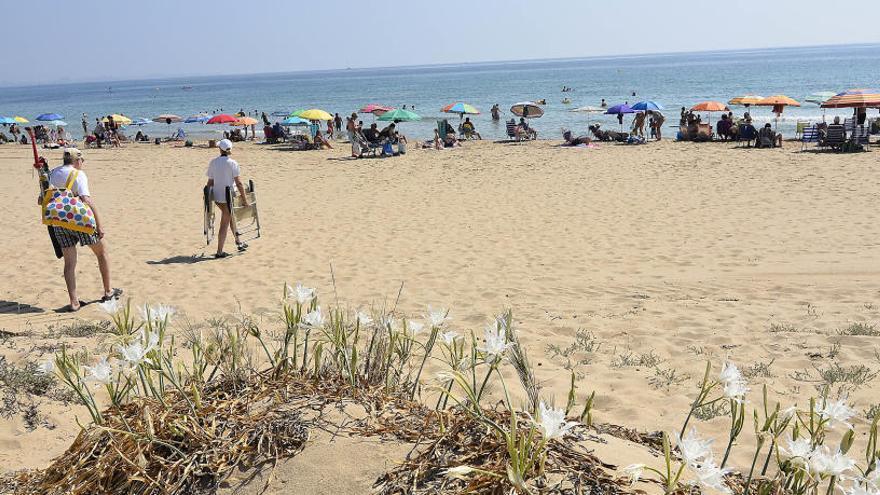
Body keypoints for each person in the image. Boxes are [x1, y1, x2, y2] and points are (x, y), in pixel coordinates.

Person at [46, 148, 122, 311]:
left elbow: (46, 194)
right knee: (102, 253)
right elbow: (86, 199)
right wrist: (99, 223)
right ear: (76, 160)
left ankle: (74, 302)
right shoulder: (78, 174)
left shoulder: (53, 172)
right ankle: (108, 291)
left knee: (69, 263)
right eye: (82, 160)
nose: (83, 163)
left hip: (60, 220)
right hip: (79, 220)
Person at [205, 139, 248, 258]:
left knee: (230, 218)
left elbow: (210, 182)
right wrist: (244, 199)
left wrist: (207, 198)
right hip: (228, 197)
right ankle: (219, 252)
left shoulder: (213, 162)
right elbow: (239, 183)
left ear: (220, 149)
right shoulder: (233, 163)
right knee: (225, 223)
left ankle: (238, 242)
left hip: (217, 198)